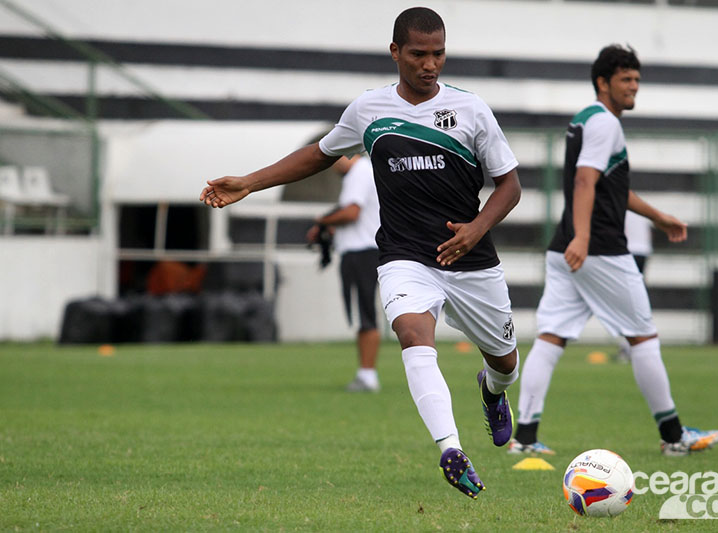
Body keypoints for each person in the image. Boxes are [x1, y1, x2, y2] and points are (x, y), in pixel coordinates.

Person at [200, 7, 522, 498]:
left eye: (438, 54)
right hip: (404, 256)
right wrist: (249, 182)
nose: (429, 64)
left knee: (505, 363)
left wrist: (477, 229)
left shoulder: (472, 110)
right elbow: (319, 154)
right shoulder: (369, 109)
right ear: (395, 52)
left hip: (469, 258)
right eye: (418, 54)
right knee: (414, 334)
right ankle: (450, 449)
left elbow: (510, 186)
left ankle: (492, 392)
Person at [509, 44, 718, 457]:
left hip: (565, 248)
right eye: (626, 80)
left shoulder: (584, 119)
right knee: (643, 337)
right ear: (602, 82)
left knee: (551, 336)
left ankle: (526, 437)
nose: (633, 88)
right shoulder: (605, 123)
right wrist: (586, 238)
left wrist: (656, 216)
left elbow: (611, 188)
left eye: (637, 80)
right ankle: (674, 435)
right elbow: (586, 182)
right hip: (600, 249)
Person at [305, 154, 382, 392]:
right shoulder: (366, 170)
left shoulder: (359, 171)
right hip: (365, 249)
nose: (332, 165)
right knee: (363, 313)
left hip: (362, 251)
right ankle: (365, 373)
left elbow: (351, 213)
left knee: (365, 313)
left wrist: (322, 221)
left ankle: (368, 375)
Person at [616, 211, 652, 362]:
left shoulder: (620, 207)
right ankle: (636, 343)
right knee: (636, 298)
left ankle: (630, 345)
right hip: (643, 252)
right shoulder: (641, 211)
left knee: (625, 300)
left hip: (627, 252)